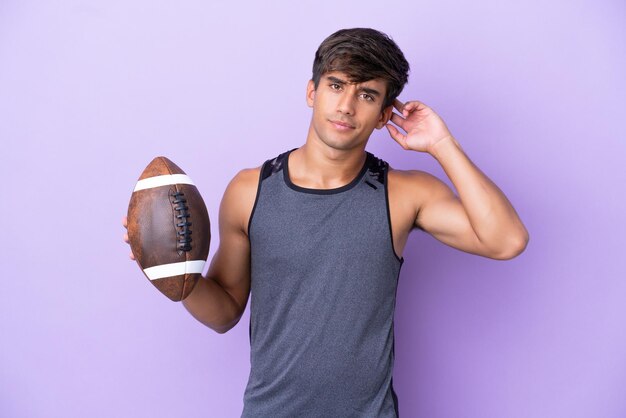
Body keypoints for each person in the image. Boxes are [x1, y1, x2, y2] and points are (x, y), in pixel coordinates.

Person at [123, 28, 528, 417]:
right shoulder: (250, 190)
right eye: (336, 86)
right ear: (312, 92)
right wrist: (174, 274)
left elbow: (506, 240)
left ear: (386, 114)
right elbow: (225, 311)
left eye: (366, 94)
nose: (347, 106)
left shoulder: (404, 194)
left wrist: (442, 145)